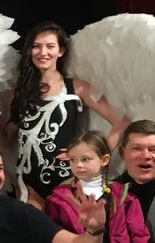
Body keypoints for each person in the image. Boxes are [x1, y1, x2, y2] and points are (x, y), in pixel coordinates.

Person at [9, 21, 129, 207]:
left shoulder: (77, 88)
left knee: (69, 224)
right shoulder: (21, 91)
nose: (43, 52)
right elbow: (9, 136)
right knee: (31, 225)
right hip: (28, 181)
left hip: (67, 178)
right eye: (36, 46)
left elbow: (122, 122)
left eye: (50, 46)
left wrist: (94, 154)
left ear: (61, 51)